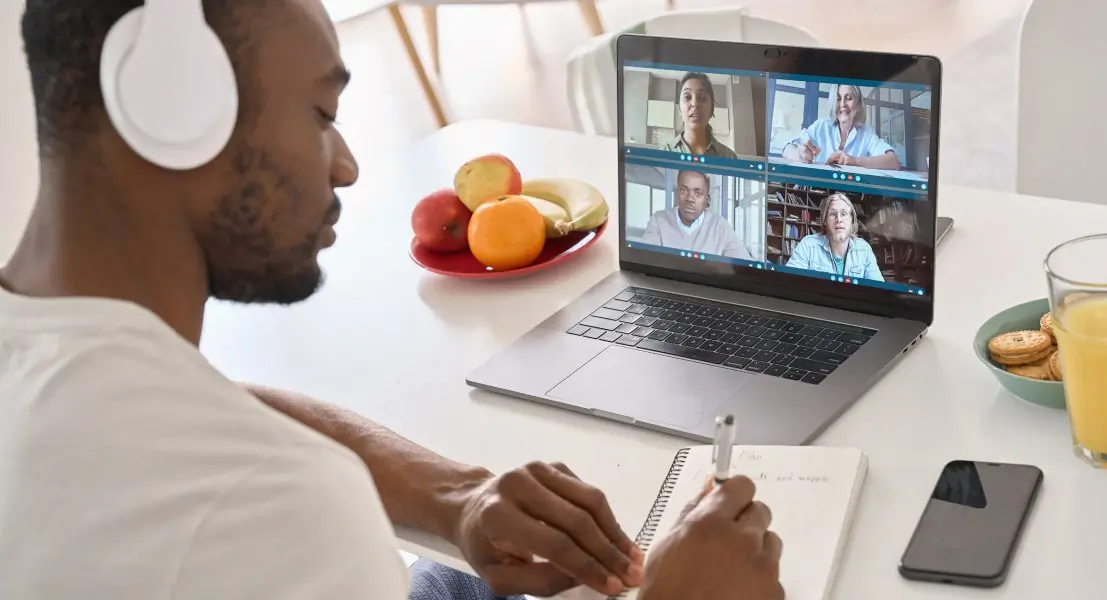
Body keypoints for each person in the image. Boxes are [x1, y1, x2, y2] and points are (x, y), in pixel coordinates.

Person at [0, 2, 784, 600]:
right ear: (175, 111)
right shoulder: (283, 506)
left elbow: (198, 404)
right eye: (320, 115)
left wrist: (457, 492)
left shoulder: (58, 364)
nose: (344, 166)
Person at [779, 84, 902, 171]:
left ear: (859, 105)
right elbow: (786, 147)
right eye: (838, 99)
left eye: (848, 98)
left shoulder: (866, 133)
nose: (842, 104)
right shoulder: (821, 126)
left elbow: (893, 161)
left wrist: (854, 161)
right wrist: (799, 153)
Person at [641, 170, 754, 260]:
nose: (690, 199)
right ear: (677, 193)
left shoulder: (720, 227)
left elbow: (744, 266)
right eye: (683, 190)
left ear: (707, 199)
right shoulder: (659, 220)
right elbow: (645, 260)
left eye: (698, 193)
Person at [785, 193, 884, 281]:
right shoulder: (808, 245)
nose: (839, 219)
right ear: (824, 221)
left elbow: (879, 291)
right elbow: (789, 281)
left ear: (852, 220)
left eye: (844, 214)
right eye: (833, 214)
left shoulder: (864, 249)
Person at [661, 72, 738, 159]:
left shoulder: (729, 157)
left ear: (712, 109)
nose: (695, 104)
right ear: (679, 108)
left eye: (702, 98)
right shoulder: (663, 154)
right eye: (687, 97)